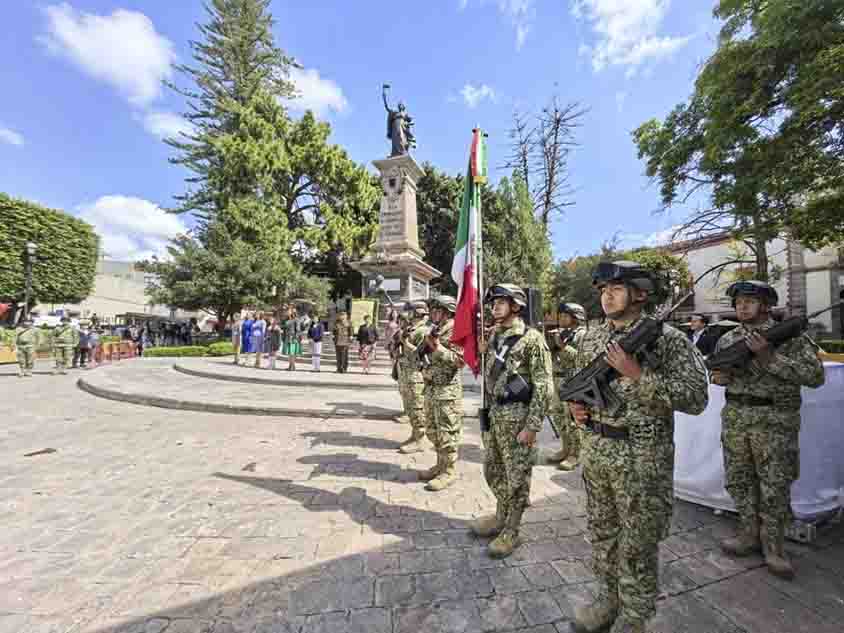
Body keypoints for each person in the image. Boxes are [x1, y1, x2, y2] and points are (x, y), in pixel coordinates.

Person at [566, 261, 708, 633]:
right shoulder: (593, 337)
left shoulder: (668, 340)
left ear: (640, 293)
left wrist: (639, 375)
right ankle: (608, 599)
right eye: (602, 290)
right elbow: (580, 386)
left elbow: (696, 398)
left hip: (642, 458)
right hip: (598, 451)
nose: (606, 295)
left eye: (615, 288)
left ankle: (635, 617)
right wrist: (577, 409)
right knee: (602, 534)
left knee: (638, 543)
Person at [711, 281, 825, 580]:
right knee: (739, 479)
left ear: (766, 305)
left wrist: (770, 359)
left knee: (775, 484)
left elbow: (814, 377)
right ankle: (748, 534)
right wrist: (720, 377)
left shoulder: (790, 337)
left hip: (775, 419)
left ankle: (773, 546)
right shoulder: (728, 339)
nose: (742, 306)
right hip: (736, 417)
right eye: (738, 301)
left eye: (750, 301)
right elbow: (717, 376)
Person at [472, 284, 553, 558]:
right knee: (493, 470)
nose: (494, 306)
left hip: (518, 417)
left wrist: (532, 426)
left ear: (516, 306)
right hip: (496, 415)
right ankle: (500, 516)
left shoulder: (532, 339)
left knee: (516, 477)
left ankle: (512, 531)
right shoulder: (494, 335)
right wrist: (484, 351)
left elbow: (543, 385)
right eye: (493, 302)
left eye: (501, 302)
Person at [417, 295, 464, 492]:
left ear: (447, 311)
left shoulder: (456, 329)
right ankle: (440, 464)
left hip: (447, 390)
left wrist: (437, 347)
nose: (432, 313)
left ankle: (450, 471)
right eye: (432, 310)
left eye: (437, 310)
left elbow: (459, 360)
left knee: (447, 433)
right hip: (431, 387)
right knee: (432, 430)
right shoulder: (435, 328)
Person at [548, 301, 588, 471]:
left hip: (573, 381)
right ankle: (565, 448)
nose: (561, 319)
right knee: (558, 416)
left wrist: (562, 345)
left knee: (572, 420)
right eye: (561, 315)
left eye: (565, 316)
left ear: (576, 317)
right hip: (557, 379)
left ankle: (575, 454)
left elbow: (579, 358)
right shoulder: (560, 333)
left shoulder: (582, 335)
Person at [396, 301, 430, 454]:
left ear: (417, 313)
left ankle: (420, 440)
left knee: (417, 409)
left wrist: (405, 342)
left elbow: (421, 354)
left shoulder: (423, 331)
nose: (407, 315)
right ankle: (414, 434)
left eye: (410, 312)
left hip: (417, 375)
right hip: (407, 373)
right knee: (409, 408)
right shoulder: (412, 329)